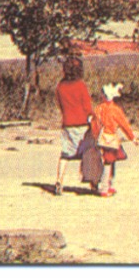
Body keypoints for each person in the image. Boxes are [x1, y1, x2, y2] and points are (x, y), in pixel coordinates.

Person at [52, 54, 94, 196]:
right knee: (89, 152)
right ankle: (93, 182)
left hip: (67, 123)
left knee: (65, 154)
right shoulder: (81, 85)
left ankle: (59, 181)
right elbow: (87, 107)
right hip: (82, 123)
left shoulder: (60, 86)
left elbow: (59, 104)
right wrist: (94, 118)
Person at [91, 82, 138, 198]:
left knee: (108, 162)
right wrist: (132, 137)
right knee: (109, 162)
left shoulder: (99, 108)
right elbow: (124, 124)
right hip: (111, 138)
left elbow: (94, 124)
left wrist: (94, 136)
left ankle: (107, 185)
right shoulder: (115, 110)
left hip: (102, 139)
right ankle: (105, 188)